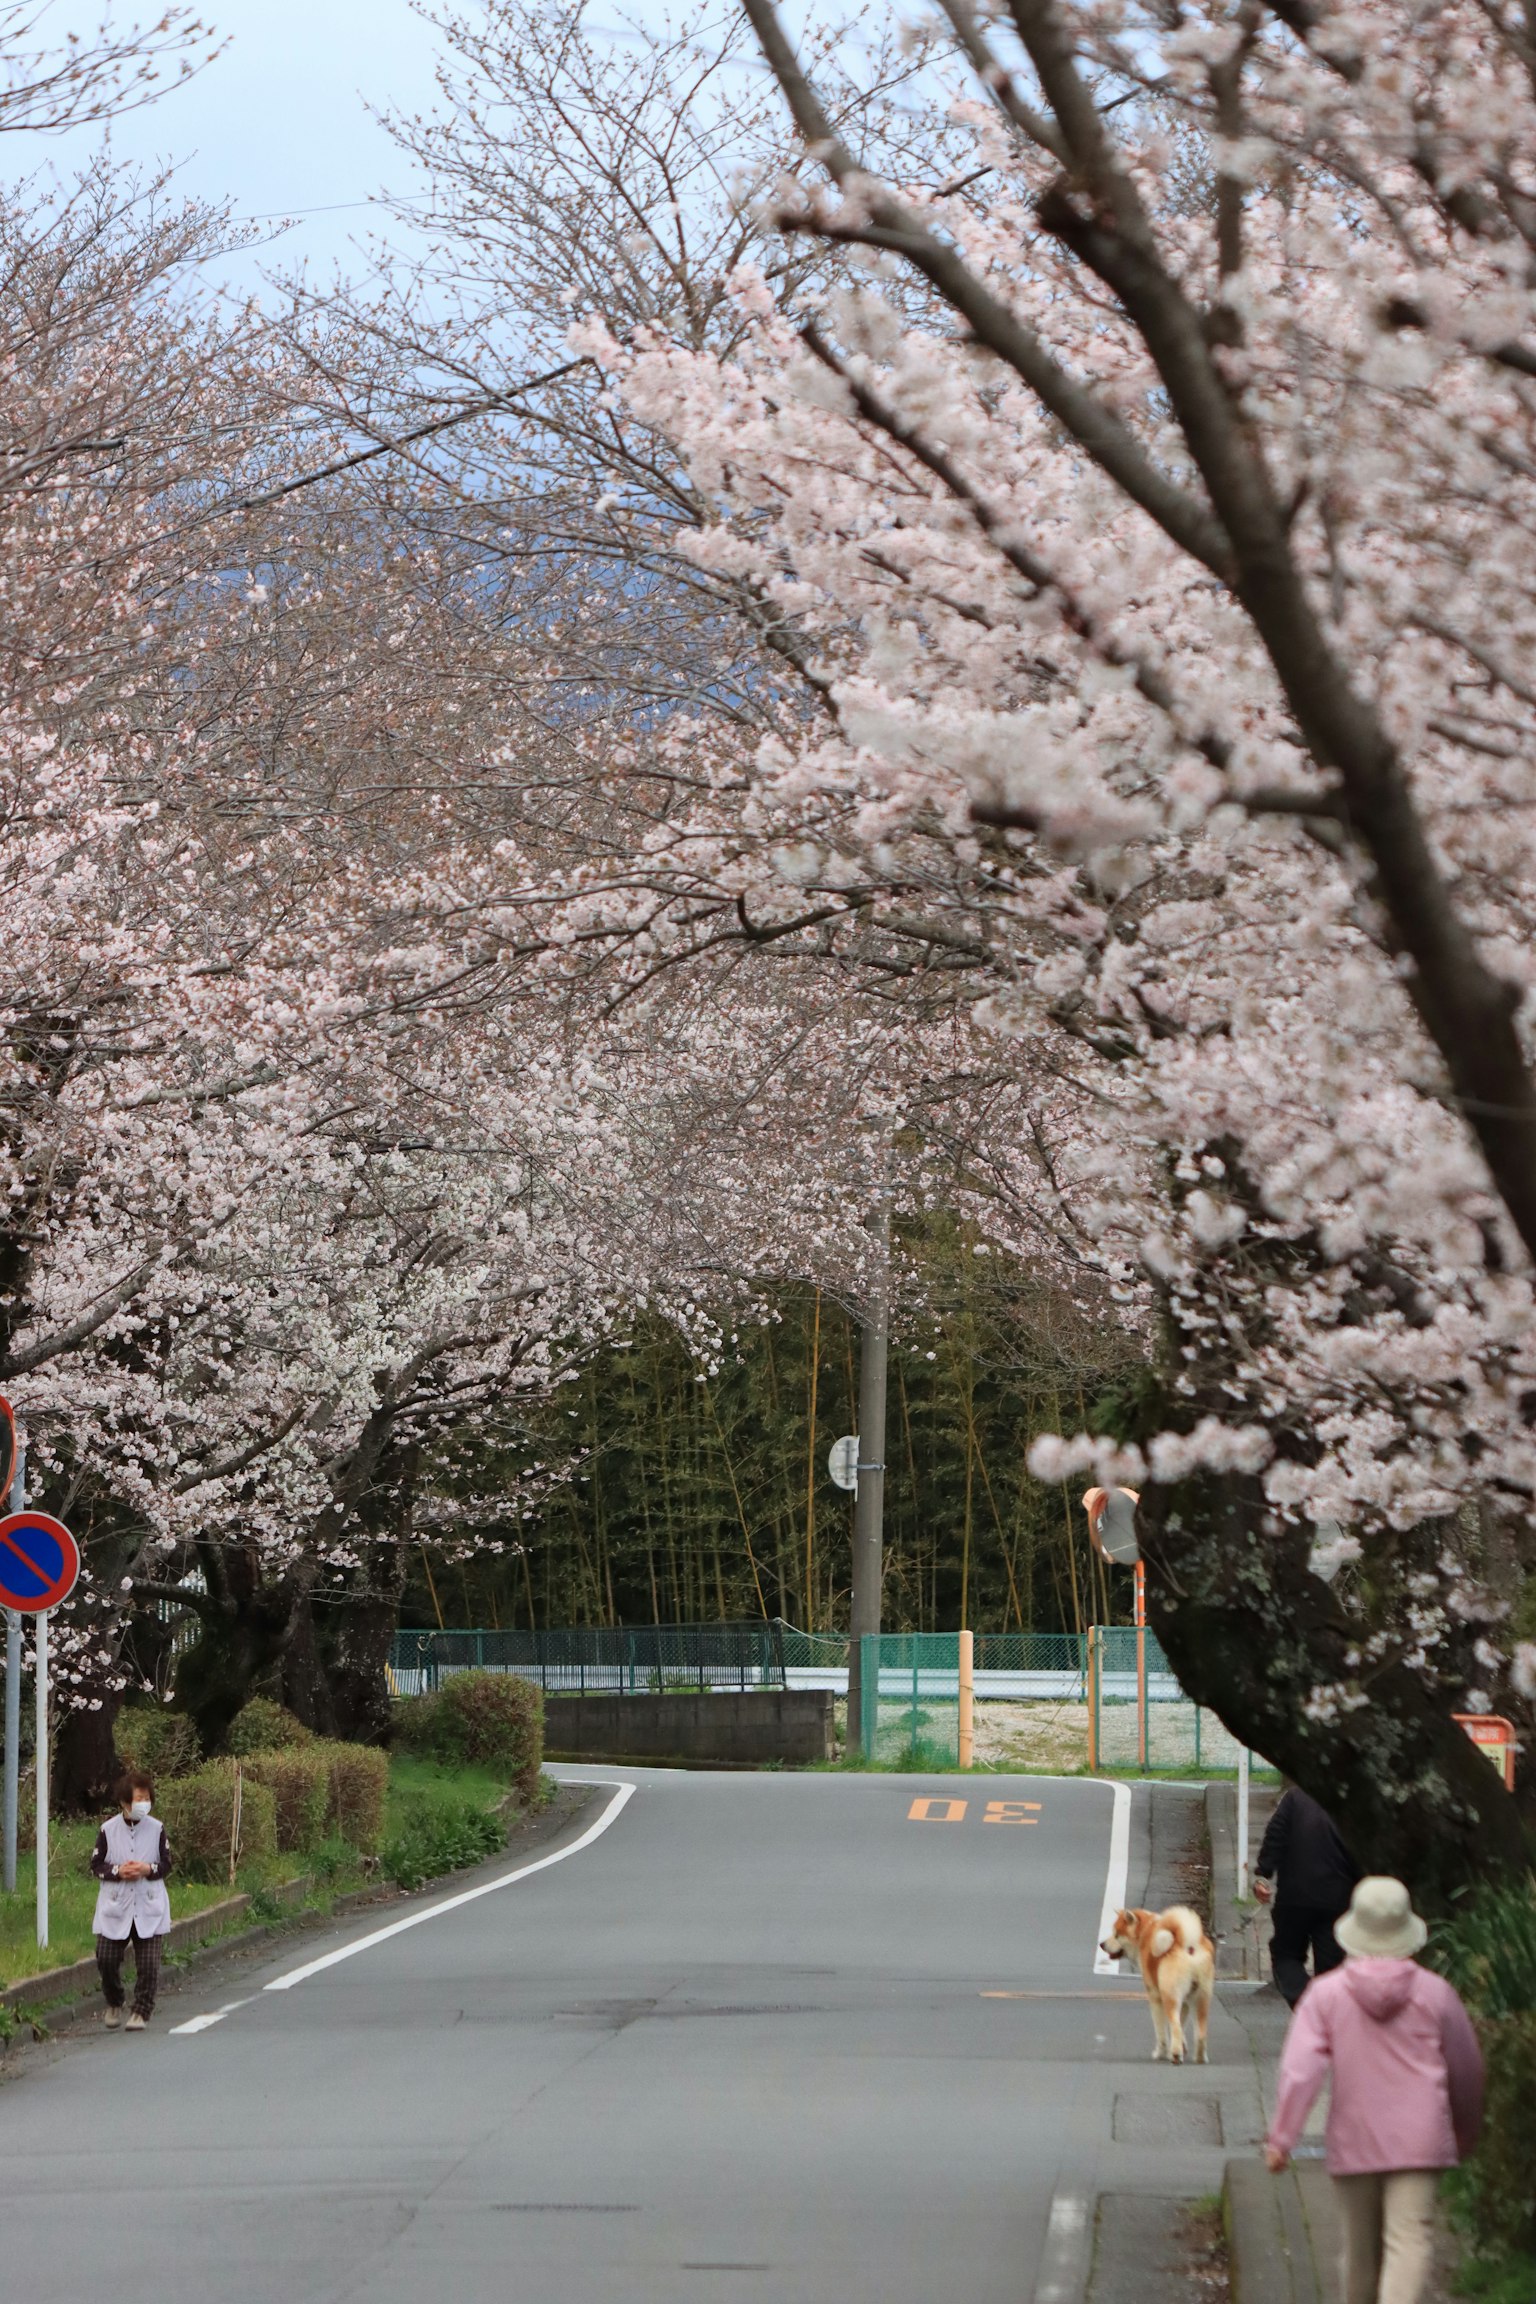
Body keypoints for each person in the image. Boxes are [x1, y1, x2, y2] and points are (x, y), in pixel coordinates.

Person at [1264, 1876, 1483, 2304]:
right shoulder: (1436, 1995)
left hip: (1355, 2133)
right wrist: (1466, 2132)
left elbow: (1300, 2069)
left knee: (1359, 2249)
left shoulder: (1325, 1996)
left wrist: (1282, 2138)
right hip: (1421, 2137)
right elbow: (1467, 2069)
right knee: (1410, 2239)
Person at [1255, 1781, 1361, 2006]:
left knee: (1285, 1955)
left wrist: (1264, 1873)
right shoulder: (1355, 1803)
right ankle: (1324, 2016)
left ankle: (1306, 2003)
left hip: (1294, 1896)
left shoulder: (1296, 1797)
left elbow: (1276, 1833)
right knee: (1331, 1967)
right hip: (1339, 1898)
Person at [91, 1770, 173, 2031]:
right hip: (116, 1905)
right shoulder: (108, 1830)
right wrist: (118, 1872)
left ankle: (141, 2010)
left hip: (149, 1904)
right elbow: (96, 1865)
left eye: (147, 1798)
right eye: (139, 1799)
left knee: (148, 1964)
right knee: (105, 1958)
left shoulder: (157, 1829)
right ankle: (114, 2001)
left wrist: (147, 1869)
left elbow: (167, 1864)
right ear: (125, 1803)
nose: (143, 1804)